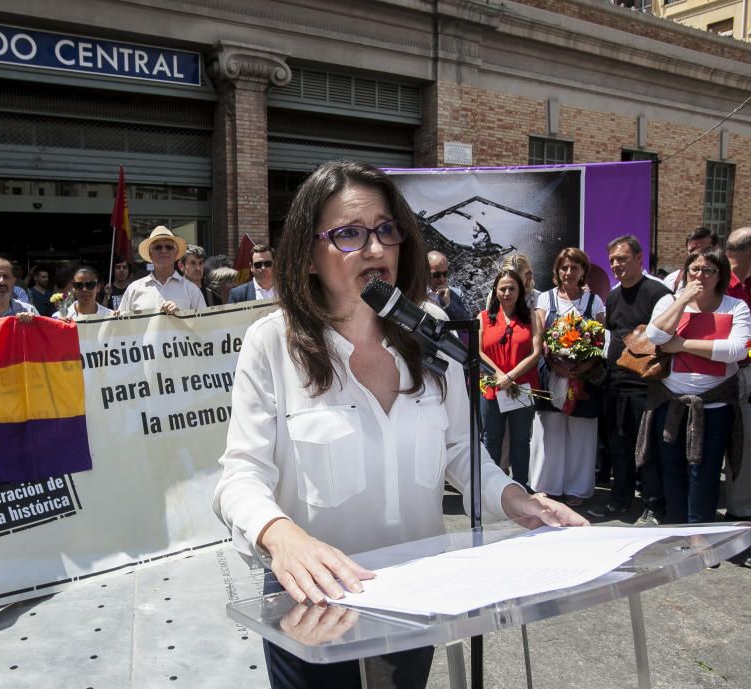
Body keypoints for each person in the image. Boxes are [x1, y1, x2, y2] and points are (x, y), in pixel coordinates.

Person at [212, 161, 586, 689]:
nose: (375, 249)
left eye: (386, 230)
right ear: (309, 255)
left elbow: (460, 450)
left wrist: (515, 498)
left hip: (417, 593)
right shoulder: (272, 344)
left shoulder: (432, 336)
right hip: (313, 601)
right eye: (349, 234)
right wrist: (281, 537)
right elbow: (240, 476)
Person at [639, 248, 751, 524]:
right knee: (672, 467)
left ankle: (700, 533)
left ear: (720, 274)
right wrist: (683, 300)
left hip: (714, 405)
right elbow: (654, 335)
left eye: (708, 270)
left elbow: (736, 349)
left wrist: (681, 345)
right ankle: (677, 528)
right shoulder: (670, 301)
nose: (700, 275)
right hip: (670, 402)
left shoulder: (736, 307)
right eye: (694, 269)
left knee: (705, 471)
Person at [589, 236, 671, 522]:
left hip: (645, 388)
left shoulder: (659, 293)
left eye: (622, 258)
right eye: (612, 259)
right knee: (618, 447)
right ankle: (619, 499)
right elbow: (611, 333)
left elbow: (663, 338)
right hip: (615, 385)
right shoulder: (613, 296)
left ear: (639, 259)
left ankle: (654, 504)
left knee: (646, 450)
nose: (616, 265)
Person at [528, 247, 606, 506]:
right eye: (564, 268)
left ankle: (577, 488)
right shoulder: (545, 300)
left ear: (583, 271)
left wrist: (584, 366)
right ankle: (547, 486)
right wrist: (557, 365)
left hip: (585, 376)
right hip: (551, 373)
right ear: (557, 271)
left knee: (581, 432)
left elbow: (601, 340)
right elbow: (538, 339)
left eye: (574, 267)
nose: (568, 272)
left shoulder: (594, 302)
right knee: (550, 429)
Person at [478, 269, 542, 489]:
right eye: (502, 288)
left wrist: (511, 376)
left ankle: (520, 486)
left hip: (521, 387)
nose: (507, 293)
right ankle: (491, 488)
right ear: (495, 291)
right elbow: (478, 352)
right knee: (491, 440)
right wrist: (499, 376)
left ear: (520, 291)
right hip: (492, 388)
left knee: (521, 441)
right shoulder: (483, 318)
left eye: (512, 288)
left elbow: (536, 352)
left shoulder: (531, 317)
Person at [723, 227, 751, 524]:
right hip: (718, 374)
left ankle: (742, 508)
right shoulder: (716, 282)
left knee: (746, 441)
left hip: (746, 368)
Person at [119, 226, 206, 314]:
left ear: (175, 253)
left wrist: (180, 315)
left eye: (169, 247)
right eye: (158, 247)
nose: (164, 250)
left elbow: (204, 325)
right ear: (150, 253)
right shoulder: (134, 289)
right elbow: (120, 324)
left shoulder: (191, 290)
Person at [661, 227, 718, 293]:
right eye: (692, 251)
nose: (698, 256)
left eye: (704, 251)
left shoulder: (728, 283)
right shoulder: (672, 280)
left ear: (716, 250)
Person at [426, 250, 471, 322]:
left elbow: (467, 322)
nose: (442, 279)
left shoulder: (457, 294)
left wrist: (448, 303)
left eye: (445, 274)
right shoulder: (417, 293)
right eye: (436, 275)